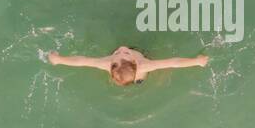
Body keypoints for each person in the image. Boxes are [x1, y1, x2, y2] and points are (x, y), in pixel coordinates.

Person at [46, 46, 207, 85]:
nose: (122, 48)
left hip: (130, 74)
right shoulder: (142, 64)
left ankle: (128, 79)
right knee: (140, 76)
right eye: (121, 53)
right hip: (134, 73)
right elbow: (173, 62)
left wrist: (59, 59)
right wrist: (197, 61)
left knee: (134, 78)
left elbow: (82, 61)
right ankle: (131, 80)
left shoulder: (107, 63)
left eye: (122, 52)